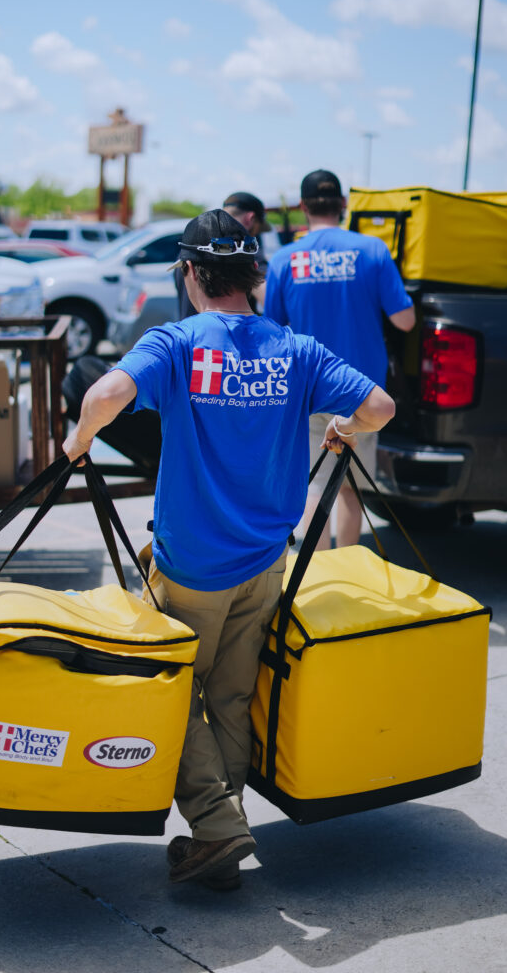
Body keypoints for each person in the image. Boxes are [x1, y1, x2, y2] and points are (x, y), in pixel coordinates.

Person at [63, 208, 395, 890]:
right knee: (231, 696)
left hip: (191, 567)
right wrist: (341, 424)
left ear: (190, 273)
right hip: (263, 561)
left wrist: (75, 444)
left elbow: (103, 393)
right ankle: (225, 825)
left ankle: (215, 827)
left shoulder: (178, 342)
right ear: (251, 275)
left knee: (170, 692)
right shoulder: (295, 350)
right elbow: (379, 408)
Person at [264, 169, 416, 550]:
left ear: (303, 207)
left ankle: (313, 576)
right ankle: (349, 572)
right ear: (343, 206)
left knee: (314, 483)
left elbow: (271, 333)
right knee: (350, 487)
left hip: (307, 387)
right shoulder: (373, 251)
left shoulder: (284, 260)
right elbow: (405, 320)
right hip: (362, 391)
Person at [175, 191, 270, 319]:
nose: (255, 235)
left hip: (191, 332)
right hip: (237, 334)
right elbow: (269, 300)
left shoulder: (187, 251)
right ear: (251, 218)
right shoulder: (245, 251)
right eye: (258, 229)